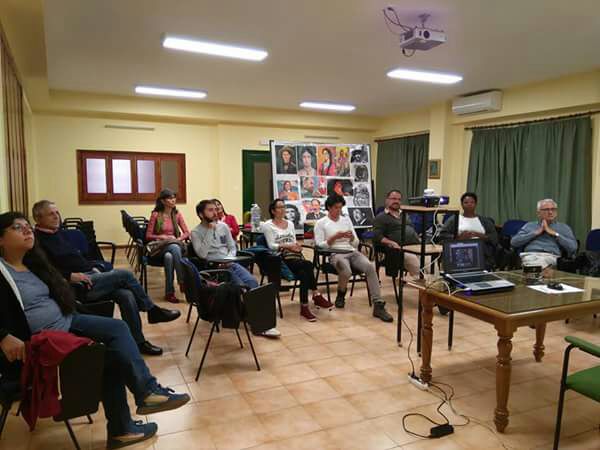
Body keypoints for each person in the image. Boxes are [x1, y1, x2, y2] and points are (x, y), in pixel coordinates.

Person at [0, 212, 190, 449]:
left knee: (117, 329)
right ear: (1, 239)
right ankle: (134, 412)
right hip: (43, 343)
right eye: (18, 228)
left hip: (67, 320)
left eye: (27, 226)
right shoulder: (3, 272)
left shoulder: (32, 263)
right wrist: (3, 336)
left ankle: (137, 408)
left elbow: (60, 281)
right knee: (111, 350)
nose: (27, 230)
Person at [32, 200, 179, 356]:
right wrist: (69, 276)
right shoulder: (37, 241)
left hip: (89, 274)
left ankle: (138, 342)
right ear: (38, 218)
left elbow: (77, 259)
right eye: (51, 214)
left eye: (57, 212)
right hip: (76, 286)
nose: (56, 216)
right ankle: (152, 310)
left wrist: (94, 267)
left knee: (126, 295)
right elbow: (42, 270)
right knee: (125, 275)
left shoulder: (57, 234)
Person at [191, 200, 280, 338]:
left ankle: (260, 322)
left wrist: (229, 258)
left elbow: (232, 247)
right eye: (210, 210)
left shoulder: (223, 227)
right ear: (201, 214)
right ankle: (258, 324)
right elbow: (202, 254)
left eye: (215, 209)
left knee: (252, 282)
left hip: (230, 263)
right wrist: (209, 231)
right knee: (241, 287)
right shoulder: (196, 232)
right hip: (214, 268)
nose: (215, 213)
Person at [314, 194, 393, 322]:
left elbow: (356, 243)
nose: (339, 210)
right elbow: (319, 245)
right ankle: (341, 294)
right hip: (335, 253)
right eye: (336, 208)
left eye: (340, 208)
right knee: (346, 271)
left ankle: (378, 303)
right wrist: (334, 237)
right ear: (329, 207)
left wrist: (351, 238)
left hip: (351, 251)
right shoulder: (321, 223)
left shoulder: (346, 220)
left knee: (369, 267)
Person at [262, 199, 333, 322]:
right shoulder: (268, 225)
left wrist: (297, 246)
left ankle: (304, 308)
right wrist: (288, 246)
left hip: (293, 256)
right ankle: (316, 294)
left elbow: (293, 240)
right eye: (279, 207)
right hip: (279, 258)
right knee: (308, 265)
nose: (283, 210)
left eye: (283, 207)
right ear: (273, 211)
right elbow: (271, 246)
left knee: (304, 274)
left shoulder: (290, 224)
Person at [146, 189, 190, 303]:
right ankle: (182, 281)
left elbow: (186, 232)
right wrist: (162, 237)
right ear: (163, 201)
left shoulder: (177, 215)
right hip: (160, 247)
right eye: (170, 198)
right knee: (173, 249)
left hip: (174, 245)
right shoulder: (156, 215)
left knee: (169, 256)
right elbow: (148, 235)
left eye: (174, 197)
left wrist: (177, 239)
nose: (173, 200)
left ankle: (169, 293)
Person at [511, 198, 578, 268]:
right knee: (535, 262)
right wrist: (535, 233)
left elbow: (573, 248)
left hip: (551, 256)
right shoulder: (529, 226)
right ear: (538, 213)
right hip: (530, 255)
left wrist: (555, 234)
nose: (550, 212)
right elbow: (514, 242)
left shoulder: (564, 227)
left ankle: (534, 270)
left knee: (539, 263)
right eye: (546, 209)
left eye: (553, 209)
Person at [439, 192, 499, 269]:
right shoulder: (454, 219)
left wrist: (482, 236)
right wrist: (458, 237)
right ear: (462, 204)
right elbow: (442, 236)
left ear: (476, 204)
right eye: (466, 202)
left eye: (472, 202)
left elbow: (494, 238)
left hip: (481, 253)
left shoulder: (485, 221)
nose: (469, 204)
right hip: (459, 252)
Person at [372, 190, 420, 278]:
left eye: (399, 199)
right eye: (394, 199)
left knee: (430, 260)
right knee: (415, 264)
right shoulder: (381, 217)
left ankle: (436, 283)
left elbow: (411, 229)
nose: (396, 201)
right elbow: (377, 236)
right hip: (400, 249)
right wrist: (391, 242)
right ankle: (423, 284)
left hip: (416, 246)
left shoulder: (405, 214)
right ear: (387, 200)